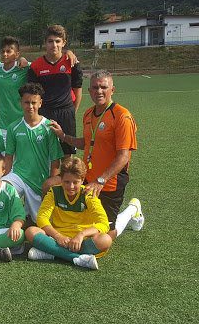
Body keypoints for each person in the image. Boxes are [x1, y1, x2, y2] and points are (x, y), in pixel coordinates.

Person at [50, 70, 142, 239]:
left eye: (103, 87)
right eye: (95, 87)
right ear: (89, 91)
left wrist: (101, 180)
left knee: (106, 233)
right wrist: (63, 136)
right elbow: (87, 143)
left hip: (109, 182)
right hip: (88, 178)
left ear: (112, 90)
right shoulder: (88, 113)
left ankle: (132, 210)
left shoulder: (122, 116)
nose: (99, 91)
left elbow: (124, 156)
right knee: (83, 223)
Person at [25, 157, 113, 270]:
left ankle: (52, 252)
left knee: (105, 239)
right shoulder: (54, 192)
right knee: (31, 231)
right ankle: (78, 258)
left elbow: (104, 223)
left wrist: (81, 235)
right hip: (58, 239)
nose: (71, 186)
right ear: (61, 179)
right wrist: (58, 236)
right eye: (66, 182)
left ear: (82, 180)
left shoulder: (88, 194)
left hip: (82, 241)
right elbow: (42, 218)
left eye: (75, 182)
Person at [3, 83, 63, 223]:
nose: (30, 106)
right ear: (21, 103)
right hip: (19, 176)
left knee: (41, 222)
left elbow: (55, 161)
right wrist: (2, 178)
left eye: (34, 102)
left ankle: (29, 223)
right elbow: (9, 158)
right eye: (26, 102)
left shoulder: (49, 128)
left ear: (40, 103)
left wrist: (50, 185)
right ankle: (9, 230)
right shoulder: (13, 128)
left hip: (39, 183)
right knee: (4, 190)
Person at [27, 25, 83, 156]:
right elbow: (34, 95)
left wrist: (72, 111)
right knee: (43, 153)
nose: (54, 45)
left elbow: (77, 90)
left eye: (58, 41)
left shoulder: (72, 63)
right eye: (50, 41)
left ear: (64, 43)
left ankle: (66, 177)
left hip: (66, 112)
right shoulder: (36, 66)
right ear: (45, 43)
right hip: (44, 113)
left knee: (67, 154)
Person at [0, 36, 28, 141]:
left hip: (23, 122)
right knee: (6, 157)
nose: (5, 54)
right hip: (3, 125)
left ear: (17, 54)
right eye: (3, 51)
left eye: (8, 51)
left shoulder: (24, 68)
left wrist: (68, 52)